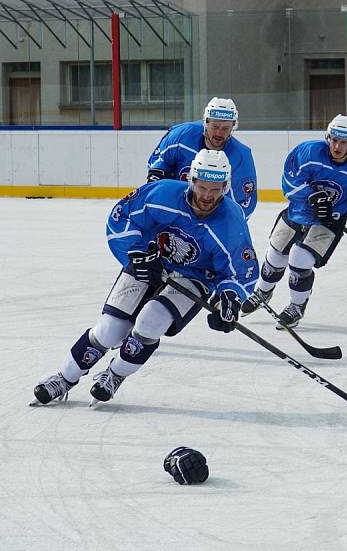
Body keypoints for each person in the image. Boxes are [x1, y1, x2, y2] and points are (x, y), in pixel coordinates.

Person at [32, 149, 259, 405]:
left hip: (194, 277)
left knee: (151, 321)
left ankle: (115, 374)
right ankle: (64, 378)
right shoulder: (161, 193)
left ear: (226, 187)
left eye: (215, 189)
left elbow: (241, 270)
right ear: (191, 180)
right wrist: (137, 253)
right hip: (149, 261)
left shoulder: (231, 222)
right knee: (109, 331)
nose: (207, 196)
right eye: (202, 187)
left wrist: (229, 297)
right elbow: (120, 219)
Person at [240, 114, 347, 326]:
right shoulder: (309, 151)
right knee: (275, 255)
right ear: (327, 137)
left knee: (299, 259)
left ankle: (297, 306)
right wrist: (310, 196)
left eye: (344, 142)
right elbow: (289, 178)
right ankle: (263, 292)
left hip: (328, 222)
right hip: (298, 212)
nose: (337, 146)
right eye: (334, 140)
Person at [146, 97, 258, 219]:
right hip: (174, 207)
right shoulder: (181, 136)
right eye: (215, 127)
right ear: (206, 122)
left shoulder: (241, 158)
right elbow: (158, 167)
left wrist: (221, 225)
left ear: (233, 127)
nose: (219, 133)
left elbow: (245, 204)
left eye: (225, 128)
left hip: (211, 217)